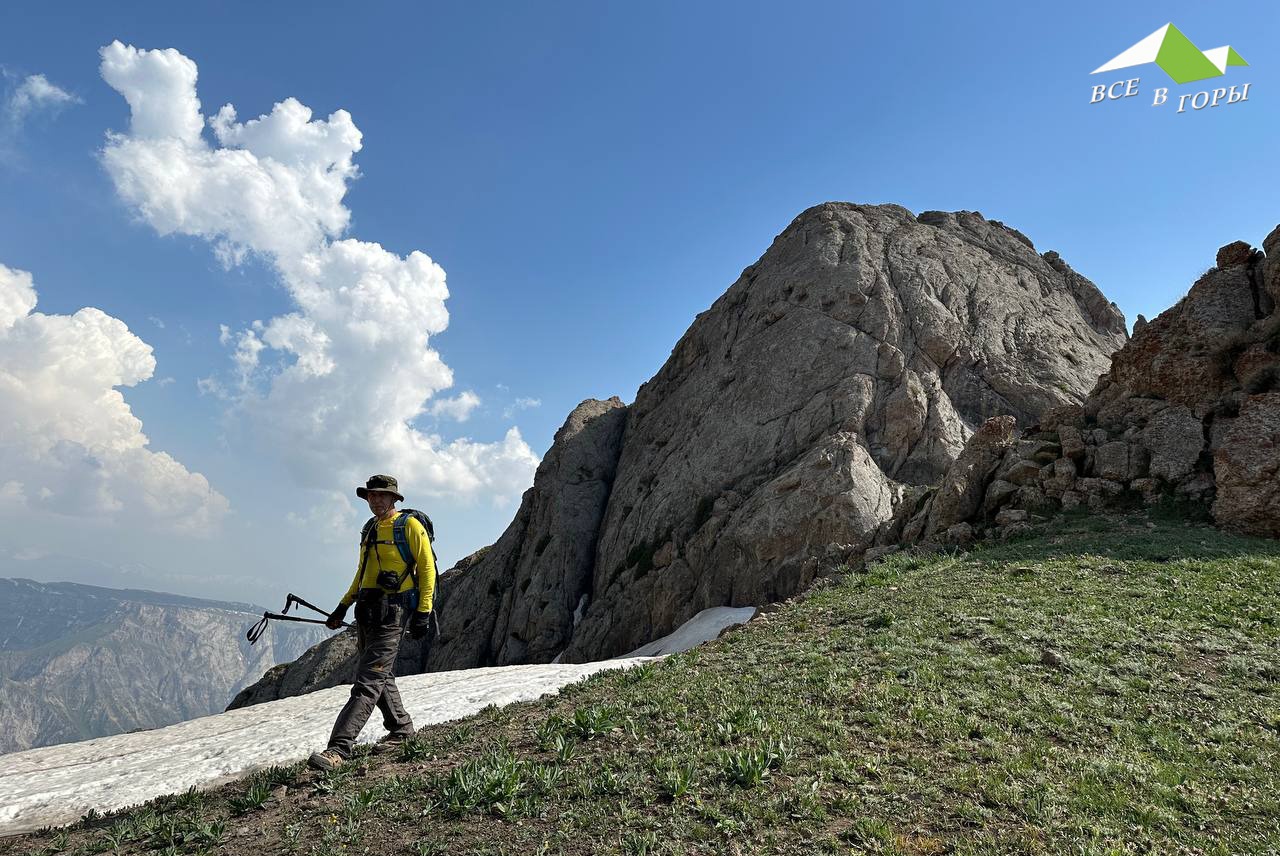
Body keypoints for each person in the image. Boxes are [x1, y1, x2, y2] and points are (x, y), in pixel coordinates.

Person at [308, 474, 437, 772]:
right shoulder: (370, 529)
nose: (376, 500)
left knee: (367, 682)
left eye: (382, 495)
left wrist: (423, 612)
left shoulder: (409, 526)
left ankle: (339, 749)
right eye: (371, 495)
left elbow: (427, 568)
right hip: (367, 609)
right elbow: (361, 573)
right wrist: (342, 606)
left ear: (394, 499)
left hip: (394, 611)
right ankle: (402, 729)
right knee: (380, 674)